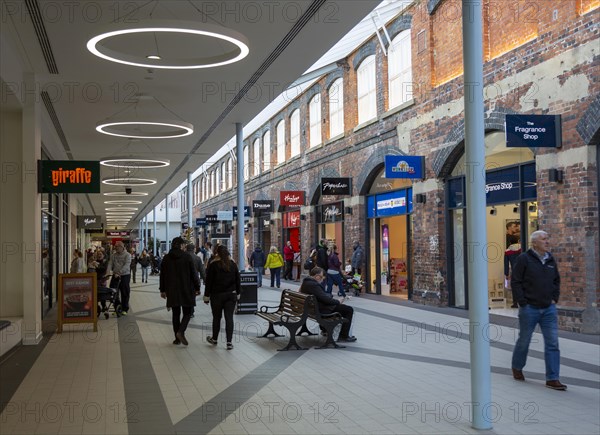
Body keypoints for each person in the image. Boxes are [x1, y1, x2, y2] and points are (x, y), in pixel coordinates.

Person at [511, 230, 566, 390]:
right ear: (534, 243)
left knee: (552, 343)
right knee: (524, 340)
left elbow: (556, 280)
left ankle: (552, 378)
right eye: (544, 239)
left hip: (548, 308)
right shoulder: (524, 259)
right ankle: (517, 367)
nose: (547, 241)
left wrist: (554, 298)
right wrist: (522, 302)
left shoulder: (550, 260)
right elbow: (516, 281)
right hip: (530, 308)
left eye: (547, 238)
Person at [160, 237, 200, 345]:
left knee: (175, 314)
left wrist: (162, 290)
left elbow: (162, 275)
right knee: (187, 313)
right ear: (181, 245)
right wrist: (197, 287)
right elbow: (193, 274)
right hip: (186, 289)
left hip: (172, 290)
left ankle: (177, 339)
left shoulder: (166, 258)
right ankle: (181, 332)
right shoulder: (187, 257)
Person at [299, 267, 356, 342]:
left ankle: (325, 330)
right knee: (349, 310)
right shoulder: (313, 285)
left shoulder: (306, 282)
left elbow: (322, 296)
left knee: (343, 308)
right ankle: (343, 336)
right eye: (322, 277)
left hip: (312, 310)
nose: (323, 279)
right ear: (317, 276)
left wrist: (329, 297)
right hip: (320, 310)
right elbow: (325, 299)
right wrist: (338, 301)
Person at [204, 245, 241, 350]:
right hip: (231, 295)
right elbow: (238, 280)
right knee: (229, 318)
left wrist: (206, 296)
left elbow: (209, 282)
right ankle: (229, 342)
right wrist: (238, 293)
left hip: (216, 296)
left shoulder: (213, 265)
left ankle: (214, 339)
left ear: (217, 253)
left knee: (217, 318)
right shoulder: (233, 264)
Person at [107, 241, 132, 315]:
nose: (115, 248)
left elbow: (127, 265)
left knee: (125, 292)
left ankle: (125, 309)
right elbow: (110, 263)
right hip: (115, 275)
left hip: (125, 275)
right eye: (115, 247)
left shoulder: (128, 255)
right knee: (113, 291)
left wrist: (119, 272)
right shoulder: (113, 255)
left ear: (122, 247)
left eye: (117, 247)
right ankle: (117, 307)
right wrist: (107, 272)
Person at [504, 234, 522, 308]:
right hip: (523, 270)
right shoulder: (522, 248)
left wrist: (507, 274)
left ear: (510, 242)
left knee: (515, 287)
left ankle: (515, 303)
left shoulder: (507, 251)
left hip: (514, 271)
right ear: (518, 241)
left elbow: (506, 263)